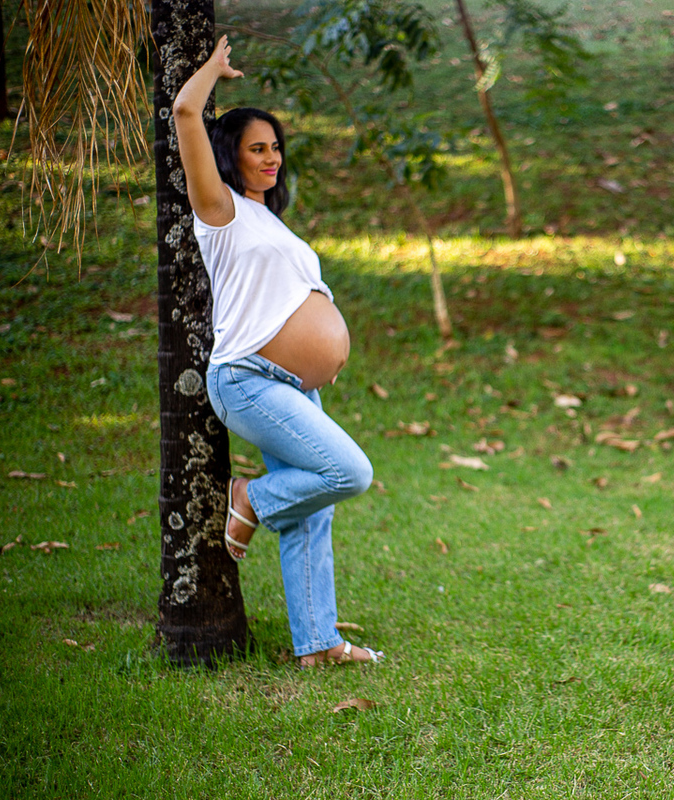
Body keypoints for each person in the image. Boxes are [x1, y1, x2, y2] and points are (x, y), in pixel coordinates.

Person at [174, 36, 381, 666]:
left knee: (312, 513)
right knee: (348, 473)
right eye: (257, 148)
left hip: (290, 385)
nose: (271, 157)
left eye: (275, 148)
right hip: (247, 377)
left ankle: (317, 644)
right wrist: (211, 70)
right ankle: (249, 499)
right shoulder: (221, 211)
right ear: (230, 157)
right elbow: (186, 115)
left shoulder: (271, 222)